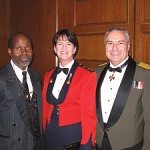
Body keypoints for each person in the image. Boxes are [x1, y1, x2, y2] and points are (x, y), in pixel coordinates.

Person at [95, 27, 150, 150]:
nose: (115, 48)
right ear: (105, 47)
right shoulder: (96, 73)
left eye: (120, 43)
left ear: (128, 46)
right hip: (99, 143)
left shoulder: (145, 75)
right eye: (110, 43)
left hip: (129, 145)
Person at [42, 29, 96, 150]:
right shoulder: (48, 74)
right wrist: (44, 131)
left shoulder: (86, 75)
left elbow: (89, 114)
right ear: (55, 49)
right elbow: (45, 107)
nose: (64, 47)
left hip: (72, 136)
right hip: (50, 135)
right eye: (60, 44)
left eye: (69, 44)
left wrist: (87, 143)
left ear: (75, 49)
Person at [0, 32, 43, 150]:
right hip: (12, 144)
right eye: (18, 48)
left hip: (36, 144)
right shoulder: (1, 77)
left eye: (28, 47)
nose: (24, 52)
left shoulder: (36, 76)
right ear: (10, 51)